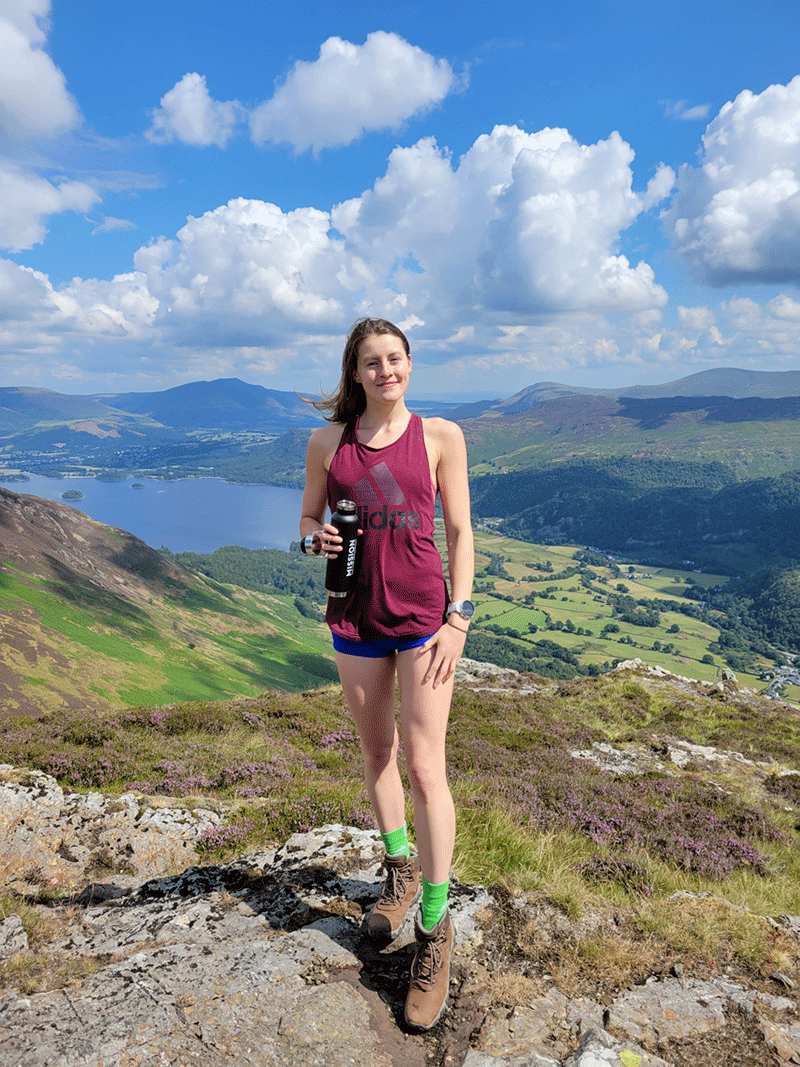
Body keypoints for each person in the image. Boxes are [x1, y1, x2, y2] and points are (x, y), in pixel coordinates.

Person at [299, 317, 474, 1031]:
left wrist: (460, 615)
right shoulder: (326, 443)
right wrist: (314, 536)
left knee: (427, 767)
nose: (384, 371)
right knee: (377, 753)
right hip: (354, 618)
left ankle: (434, 924)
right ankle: (399, 867)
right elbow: (308, 520)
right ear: (354, 371)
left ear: (410, 364)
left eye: (394, 359)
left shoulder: (440, 436)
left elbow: (461, 530)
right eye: (371, 362)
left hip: (426, 621)